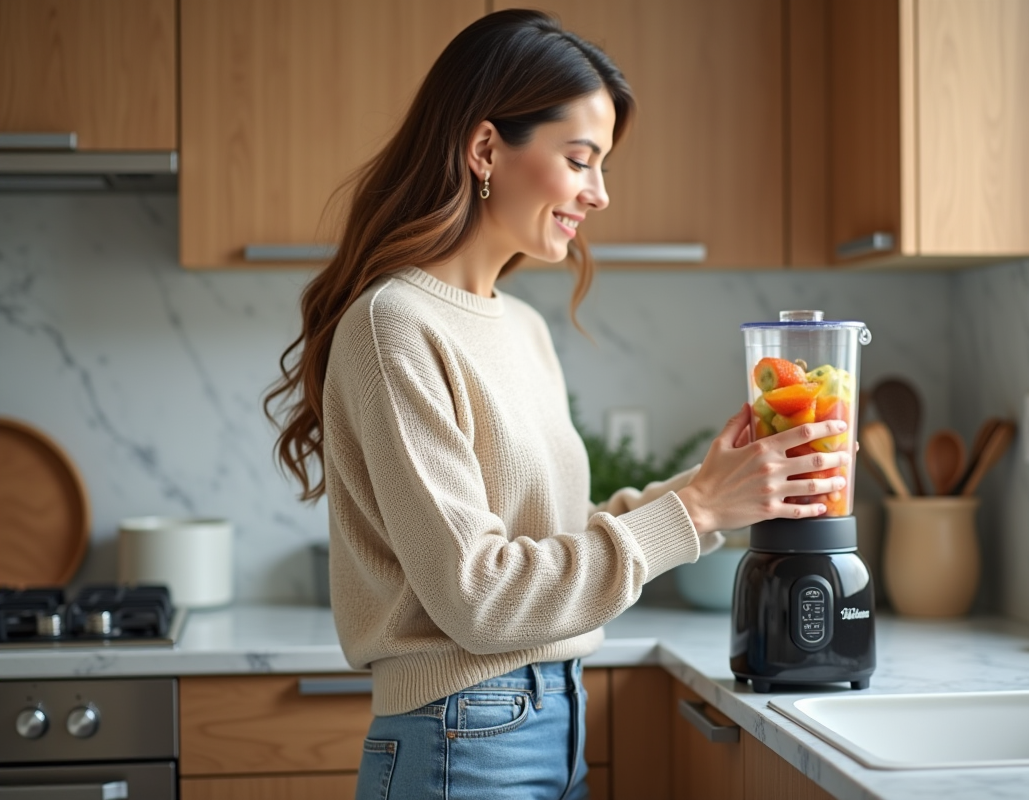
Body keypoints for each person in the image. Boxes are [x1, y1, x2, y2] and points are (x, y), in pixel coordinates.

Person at [264, 9, 850, 800]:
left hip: (554, 721)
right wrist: (700, 510)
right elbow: (479, 598)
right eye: (580, 160)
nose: (600, 194)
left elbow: (556, 543)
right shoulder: (394, 324)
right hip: (462, 738)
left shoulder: (522, 326)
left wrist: (724, 488)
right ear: (484, 150)